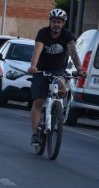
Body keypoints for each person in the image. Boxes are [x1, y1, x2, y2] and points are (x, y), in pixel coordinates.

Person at [28, 8, 85, 145]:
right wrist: (33, 66)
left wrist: (79, 69)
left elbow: (73, 52)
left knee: (61, 86)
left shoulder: (67, 35)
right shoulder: (43, 33)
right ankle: (35, 134)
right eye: (54, 21)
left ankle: (56, 110)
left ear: (63, 23)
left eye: (59, 22)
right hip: (41, 70)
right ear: (50, 22)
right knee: (38, 102)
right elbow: (38, 49)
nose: (56, 24)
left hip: (58, 70)